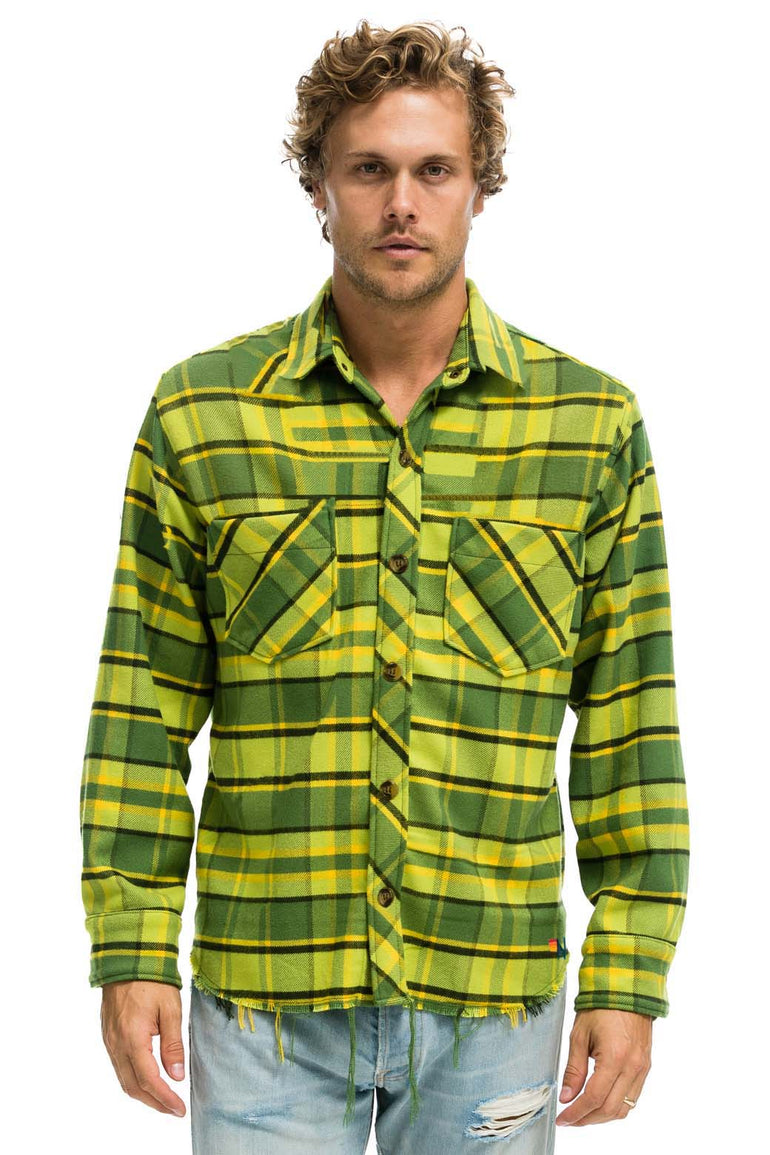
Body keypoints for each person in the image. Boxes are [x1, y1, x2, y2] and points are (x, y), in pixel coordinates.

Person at [79, 18, 689, 1154]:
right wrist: (129, 945)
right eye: (368, 169)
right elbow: (140, 712)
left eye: (433, 170)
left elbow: (629, 720)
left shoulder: (589, 425)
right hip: (261, 1002)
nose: (401, 203)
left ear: (479, 187)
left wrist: (629, 967)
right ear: (319, 186)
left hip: (492, 999)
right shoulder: (203, 414)